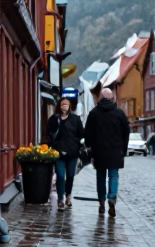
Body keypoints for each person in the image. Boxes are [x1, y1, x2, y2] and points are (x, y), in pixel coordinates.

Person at [84, 86, 130, 217]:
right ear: (112, 98)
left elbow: (88, 133)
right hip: (116, 151)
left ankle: (102, 202)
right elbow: (126, 132)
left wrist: (89, 146)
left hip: (99, 151)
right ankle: (112, 198)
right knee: (114, 175)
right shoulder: (119, 114)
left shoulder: (94, 113)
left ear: (100, 98)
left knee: (101, 177)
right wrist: (124, 149)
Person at [46, 95, 84, 210]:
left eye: (66, 105)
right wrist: (54, 147)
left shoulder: (76, 119)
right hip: (58, 153)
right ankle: (60, 200)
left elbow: (81, 134)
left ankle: (68, 195)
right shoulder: (54, 119)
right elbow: (49, 135)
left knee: (71, 175)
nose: (64, 107)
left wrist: (77, 144)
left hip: (72, 153)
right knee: (61, 176)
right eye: (62, 105)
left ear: (70, 106)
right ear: (59, 106)